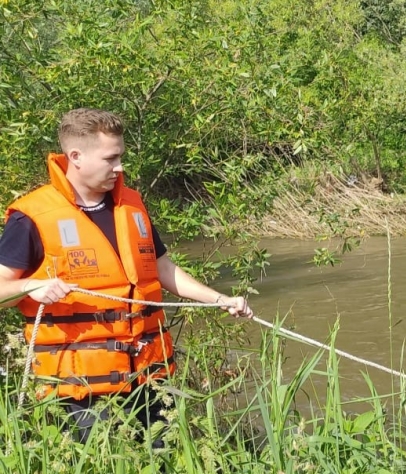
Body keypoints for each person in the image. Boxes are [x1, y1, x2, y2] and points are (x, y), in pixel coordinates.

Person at [0, 108, 253, 443]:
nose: (119, 167)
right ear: (75, 156)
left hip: (149, 377)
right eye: (111, 158)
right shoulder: (32, 216)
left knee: (161, 472)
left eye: (120, 156)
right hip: (81, 391)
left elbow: (162, 269)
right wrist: (31, 286)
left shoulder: (131, 205)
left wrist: (221, 299)